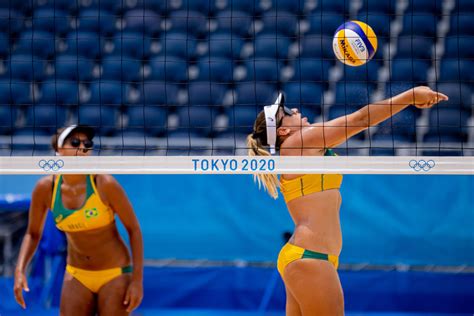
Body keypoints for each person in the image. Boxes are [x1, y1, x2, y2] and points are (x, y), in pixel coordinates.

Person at [247, 87, 448, 315]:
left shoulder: (302, 148)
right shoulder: (298, 144)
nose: (294, 109)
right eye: (286, 111)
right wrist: (409, 97)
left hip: (309, 257)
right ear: (283, 130)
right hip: (310, 257)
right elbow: (360, 119)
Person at [13, 125, 144, 315]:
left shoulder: (103, 183)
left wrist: (137, 281)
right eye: (75, 142)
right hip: (77, 273)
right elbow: (32, 234)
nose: (82, 147)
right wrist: (19, 269)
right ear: (59, 149)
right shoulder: (45, 188)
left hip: (114, 272)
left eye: (87, 143)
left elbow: (134, 230)